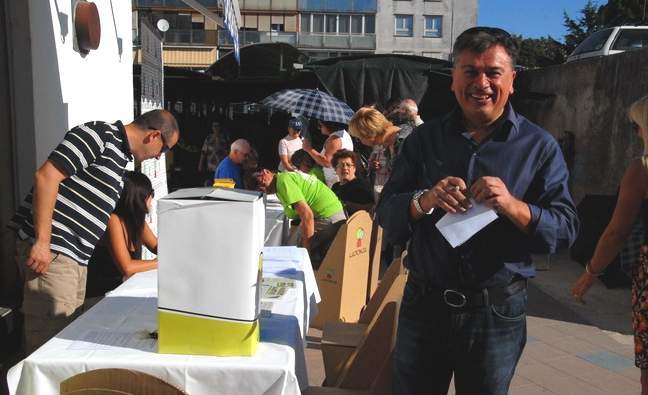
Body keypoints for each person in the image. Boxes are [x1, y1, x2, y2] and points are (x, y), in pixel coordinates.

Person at [376, 27, 578, 394]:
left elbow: (565, 230)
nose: (480, 82)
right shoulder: (423, 140)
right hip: (425, 305)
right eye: (469, 71)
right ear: (454, 79)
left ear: (512, 80)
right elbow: (386, 213)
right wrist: (424, 201)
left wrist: (514, 207)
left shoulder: (539, 146)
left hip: (497, 312)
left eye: (493, 72)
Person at [9, 109, 180, 353]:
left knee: (65, 345)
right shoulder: (98, 135)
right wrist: (42, 242)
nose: (158, 157)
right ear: (153, 136)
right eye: (164, 150)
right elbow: (46, 176)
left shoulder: (120, 159)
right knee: (48, 347)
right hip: (55, 257)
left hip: (75, 261)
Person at [572, 96, 648, 394]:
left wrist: (591, 272)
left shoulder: (641, 169)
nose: (638, 133)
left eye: (637, 126)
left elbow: (617, 231)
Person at [86, 172, 159, 298]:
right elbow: (127, 267)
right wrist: (160, 263)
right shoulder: (113, 220)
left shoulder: (137, 220)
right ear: (141, 197)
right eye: (151, 193)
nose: (152, 199)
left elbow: (157, 246)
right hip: (99, 297)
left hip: (124, 290)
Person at [252, 168, 345, 252]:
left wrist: (306, 251)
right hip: (330, 214)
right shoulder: (281, 181)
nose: (263, 189)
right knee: (290, 248)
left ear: (266, 171)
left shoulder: (283, 182)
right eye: (258, 188)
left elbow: (307, 216)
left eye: (261, 182)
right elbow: (297, 216)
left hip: (329, 217)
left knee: (292, 252)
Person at [348, 106, 412, 201]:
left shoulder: (404, 142)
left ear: (368, 134)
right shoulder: (390, 144)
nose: (360, 141)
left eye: (359, 138)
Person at [303, 120, 354, 187]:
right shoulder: (344, 134)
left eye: (321, 125)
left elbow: (327, 162)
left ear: (329, 125)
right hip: (341, 177)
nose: (319, 128)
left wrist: (309, 149)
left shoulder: (334, 139)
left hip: (335, 180)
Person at [331, 149, 374, 216]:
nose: (345, 168)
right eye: (341, 165)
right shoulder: (335, 187)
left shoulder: (362, 186)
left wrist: (346, 205)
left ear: (354, 168)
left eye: (348, 165)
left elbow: (371, 207)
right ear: (336, 169)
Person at [197, 120, 228, 186]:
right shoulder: (208, 138)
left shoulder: (225, 138)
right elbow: (203, 152)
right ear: (212, 127)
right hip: (210, 167)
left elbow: (228, 153)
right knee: (208, 184)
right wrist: (200, 164)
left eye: (217, 126)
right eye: (214, 126)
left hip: (221, 167)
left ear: (220, 127)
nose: (216, 128)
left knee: (221, 186)